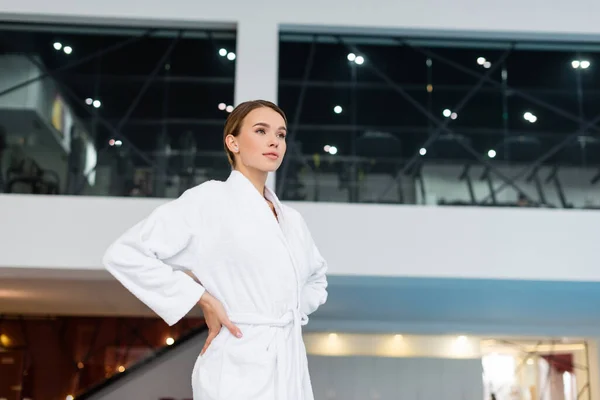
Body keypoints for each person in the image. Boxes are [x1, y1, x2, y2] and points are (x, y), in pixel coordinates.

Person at [102, 100, 329, 400]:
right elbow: (125, 254)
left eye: (282, 134)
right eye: (261, 131)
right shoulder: (209, 201)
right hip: (235, 363)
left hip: (289, 363)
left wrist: (288, 310)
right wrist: (201, 298)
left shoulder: (292, 220)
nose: (275, 140)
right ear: (232, 142)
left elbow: (317, 280)